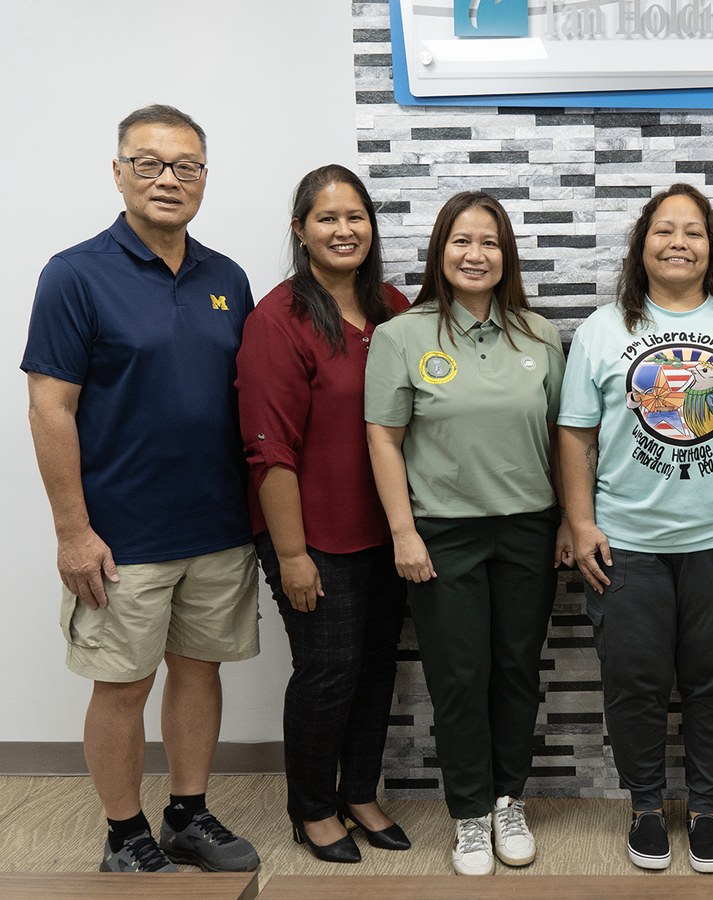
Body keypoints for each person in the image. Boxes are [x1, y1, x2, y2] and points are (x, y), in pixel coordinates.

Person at [22, 104, 261, 874]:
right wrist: (72, 531)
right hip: (121, 535)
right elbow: (49, 405)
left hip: (218, 525)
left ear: (203, 180)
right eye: (150, 162)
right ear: (118, 170)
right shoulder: (74, 273)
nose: (169, 179)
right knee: (122, 686)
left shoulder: (227, 277)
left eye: (186, 166)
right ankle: (125, 834)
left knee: (199, 672)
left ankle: (188, 814)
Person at [558, 183, 713, 875]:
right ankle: (646, 807)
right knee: (632, 681)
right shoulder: (605, 328)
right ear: (642, 245)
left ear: (711, 247)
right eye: (664, 230)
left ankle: (708, 809)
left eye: (693, 230)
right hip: (625, 544)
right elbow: (574, 434)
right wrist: (580, 520)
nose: (679, 242)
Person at [364, 191, 569, 877]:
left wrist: (571, 518)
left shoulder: (539, 335)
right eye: (461, 241)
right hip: (442, 534)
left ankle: (508, 800)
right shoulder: (403, 336)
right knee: (458, 677)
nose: (475, 254)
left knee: (515, 672)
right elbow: (384, 441)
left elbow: (565, 439)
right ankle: (470, 815)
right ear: (439, 252)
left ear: (505, 254)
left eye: (489, 242)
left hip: (528, 532)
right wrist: (404, 532)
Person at [236, 165, 413, 864]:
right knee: (328, 670)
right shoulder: (278, 319)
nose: (344, 230)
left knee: (374, 668)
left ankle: (360, 793)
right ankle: (311, 807)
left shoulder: (394, 308)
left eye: (356, 218)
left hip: (386, 530)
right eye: (327, 219)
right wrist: (292, 555)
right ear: (300, 231)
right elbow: (268, 452)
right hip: (313, 535)